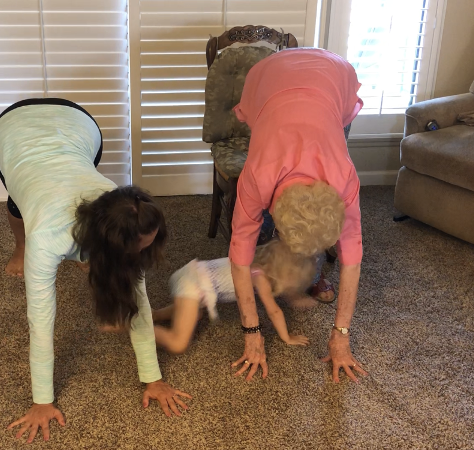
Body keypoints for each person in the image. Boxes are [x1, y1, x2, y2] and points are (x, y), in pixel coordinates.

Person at [0, 99, 191, 444]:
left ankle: (92, 256)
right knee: (18, 204)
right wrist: (42, 402)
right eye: (141, 249)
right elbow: (41, 322)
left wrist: (152, 378)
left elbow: (137, 304)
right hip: (12, 131)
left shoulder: (122, 206)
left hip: (77, 125)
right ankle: (18, 246)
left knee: (110, 266)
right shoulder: (47, 238)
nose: (146, 255)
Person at [228, 48, 370, 384]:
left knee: (332, 126)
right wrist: (251, 331)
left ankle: (315, 273)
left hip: (334, 74)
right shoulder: (257, 177)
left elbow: (353, 256)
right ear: (272, 214)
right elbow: (239, 253)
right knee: (267, 123)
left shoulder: (344, 178)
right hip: (268, 76)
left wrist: (341, 335)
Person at [153, 201, 342, 354]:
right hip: (193, 285)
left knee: (194, 313)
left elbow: (283, 287)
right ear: (284, 275)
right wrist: (287, 337)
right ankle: (141, 331)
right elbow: (273, 311)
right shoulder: (260, 278)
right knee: (178, 343)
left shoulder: (257, 260)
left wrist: (296, 300)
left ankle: (152, 315)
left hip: (192, 273)